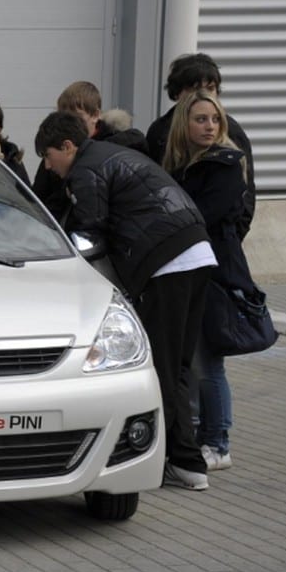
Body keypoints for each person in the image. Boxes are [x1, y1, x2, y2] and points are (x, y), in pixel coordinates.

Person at [34, 110, 216, 491]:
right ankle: (189, 462)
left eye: (50, 158)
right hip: (197, 251)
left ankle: (182, 461)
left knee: (163, 368)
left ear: (67, 146)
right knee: (179, 364)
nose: (50, 169)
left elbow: (90, 229)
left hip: (165, 262)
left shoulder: (86, 169)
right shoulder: (112, 155)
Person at [162, 90, 250, 472]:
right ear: (185, 123)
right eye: (200, 119)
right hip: (194, 270)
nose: (209, 126)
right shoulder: (183, 164)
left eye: (214, 119)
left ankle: (219, 442)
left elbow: (203, 216)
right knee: (196, 360)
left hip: (214, 273)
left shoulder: (226, 164)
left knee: (209, 363)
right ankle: (203, 437)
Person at [146, 53, 256, 238]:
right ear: (177, 92)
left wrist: (233, 237)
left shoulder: (231, 132)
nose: (203, 94)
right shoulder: (160, 131)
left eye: (210, 88)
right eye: (194, 88)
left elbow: (246, 195)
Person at [32, 81, 148, 223]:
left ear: (95, 115)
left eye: (77, 117)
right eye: (64, 117)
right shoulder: (55, 154)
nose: (69, 123)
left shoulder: (121, 146)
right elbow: (38, 200)